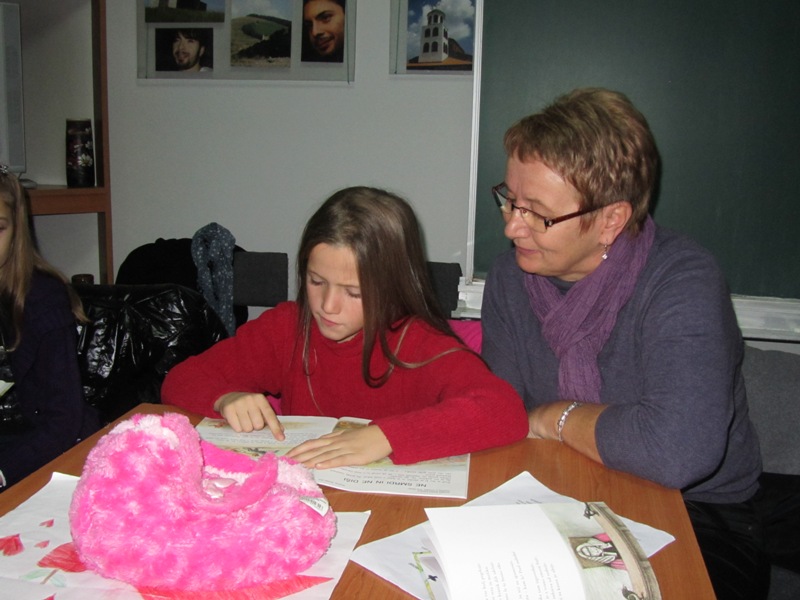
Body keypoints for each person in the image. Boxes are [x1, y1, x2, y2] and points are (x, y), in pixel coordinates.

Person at [480, 87, 800, 600]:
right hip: (553, 489)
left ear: (611, 220)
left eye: (538, 213)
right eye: (510, 200)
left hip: (700, 513)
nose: (512, 226)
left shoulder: (682, 279)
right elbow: (502, 415)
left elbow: (676, 452)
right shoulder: (509, 278)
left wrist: (555, 417)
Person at [162, 186, 528, 468]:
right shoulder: (287, 328)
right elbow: (180, 380)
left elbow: (504, 411)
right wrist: (225, 398)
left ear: (394, 287)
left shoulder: (421, 344)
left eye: (354, 292)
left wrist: (385, 437)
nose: (328, 306)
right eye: (316, 281)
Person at [0, 167, 99, 491]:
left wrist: (3, 471)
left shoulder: (43, 300)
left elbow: (63, 420)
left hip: (41, 453)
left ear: (16, 230)